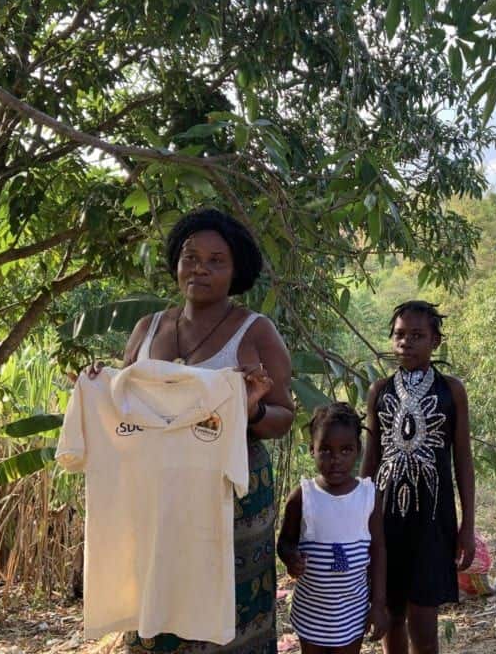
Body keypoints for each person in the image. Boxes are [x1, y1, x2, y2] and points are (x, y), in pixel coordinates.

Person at [93, 207, 294, 654]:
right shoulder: (148, 329)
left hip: (230, 500)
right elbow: (125, 408)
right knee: (156, 605)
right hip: (157, 501)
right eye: (190, 256)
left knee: (229, 613)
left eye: (215, 260)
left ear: (235, 269)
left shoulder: (255, 331)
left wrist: (252, 411)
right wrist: (96, 389)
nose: (199, 267)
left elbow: (284, 416)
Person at [359, 301, 475, 654]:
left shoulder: (451, 390)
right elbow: (370, 460)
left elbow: (463, 460)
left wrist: (467, 526)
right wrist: (359, 516)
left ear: (436, 341)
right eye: (399, 335)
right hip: (385, 520)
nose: (405, 343)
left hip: (433, 521)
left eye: (417, 335)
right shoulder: (379, 390)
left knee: (424, 622)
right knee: (390, 614)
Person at [277, 403, 389, 653]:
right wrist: (290, 558)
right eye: (325, 450)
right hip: (312, 611)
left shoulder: (368, 496)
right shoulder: (303, 496)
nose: (335, 459)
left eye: (346, 450)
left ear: (358, 451)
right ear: (312, 451)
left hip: (352, 610)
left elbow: (379, 550)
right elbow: (285, 541)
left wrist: (378, 605)